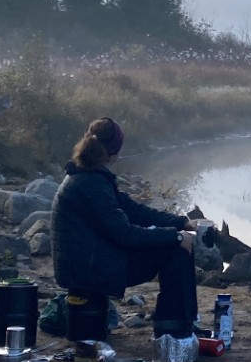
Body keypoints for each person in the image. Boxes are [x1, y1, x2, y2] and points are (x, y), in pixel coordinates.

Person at [52, 117, 198, 337]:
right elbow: (125, 234)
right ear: (114, 152)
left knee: (172, 243)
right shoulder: (91, 183)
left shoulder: (87, 175)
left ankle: (178, 324)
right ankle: (174, 329)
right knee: (176, 250)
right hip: (89, 270)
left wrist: (181, 222)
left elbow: (133, 210)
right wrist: (176, 237)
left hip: (88, 264)